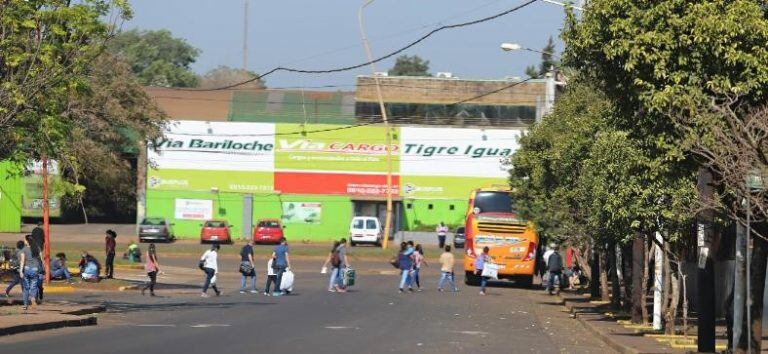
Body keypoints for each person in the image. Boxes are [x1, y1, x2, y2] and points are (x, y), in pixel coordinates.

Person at [20, 235, 41, 310]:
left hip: (27, 269)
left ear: (27, 241)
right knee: (34, 286)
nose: (24, 241)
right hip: (35, 269)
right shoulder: (37, 248)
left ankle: (25, 305)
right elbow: (40, 260)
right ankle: (33, 298)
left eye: (25, 240)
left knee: (26, 288)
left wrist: (21, 271)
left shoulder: (24, 249)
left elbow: (22, 261)